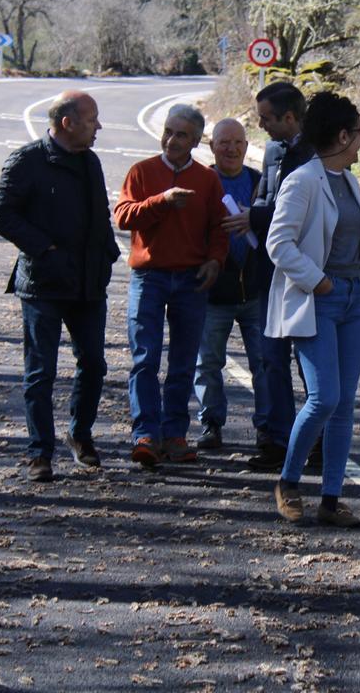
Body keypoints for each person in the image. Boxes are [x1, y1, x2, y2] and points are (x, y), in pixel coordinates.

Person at [0, 91, 119, 482]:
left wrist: (108, 252)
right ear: (69, 123)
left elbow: (100, 214)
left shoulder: (90, 162)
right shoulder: (28, 160)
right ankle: (39, 453)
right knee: (40, 372)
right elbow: (0, 213)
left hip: (88, 283)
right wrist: (43, 248)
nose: (99, 126)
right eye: (92, 119)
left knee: (94, 364)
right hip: (44, 284)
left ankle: (80, 435)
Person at [267, 91, 360, 528]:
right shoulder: (302, 181)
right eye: (358, 134)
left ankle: (331, 498)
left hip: (354, 299)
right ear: (342, 135)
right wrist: (321, 281)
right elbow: (278, 244)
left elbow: (357, 242)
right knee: (324, 398)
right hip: (318, 300)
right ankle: (288, 482)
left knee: (344, 403)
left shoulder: (348, 181)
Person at [114, 104, 228, 468]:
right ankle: (145, 434)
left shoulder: (207, 179)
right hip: (150, 277)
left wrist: (215, 260)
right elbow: (123, 216)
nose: (171, 140)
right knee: (145, 359)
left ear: (195, 141)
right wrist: (160, 201)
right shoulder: (142, 171)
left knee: (182, 362)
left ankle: (175, 435)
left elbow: (218, 227)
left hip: (192, 279)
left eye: (181, 135)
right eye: (168, 131)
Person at [246, 82, 316, 472]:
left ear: (290, 117)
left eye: (267, 118)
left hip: (304, 272)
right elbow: (265, 198)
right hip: (267, 272)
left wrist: (253, 217)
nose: (262, 126)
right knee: (271, 359)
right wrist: (253, 212)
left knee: (309, 361)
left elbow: (304, 213)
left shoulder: (316, 153)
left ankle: (316, 439)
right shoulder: (272, 151)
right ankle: (277, 440)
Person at [192, 118, 268, 449]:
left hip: (255, 291)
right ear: (212, 146)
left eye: (238, 142)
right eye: (224, 142)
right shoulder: (202, 183)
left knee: (264, 362)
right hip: (212, 293)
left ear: (247, 147)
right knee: (207, 362)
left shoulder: (260, 183)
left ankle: (268, 426)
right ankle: (211, 423)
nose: (232, 148)